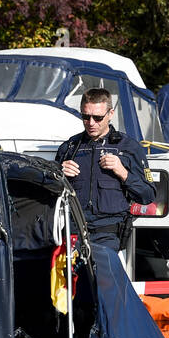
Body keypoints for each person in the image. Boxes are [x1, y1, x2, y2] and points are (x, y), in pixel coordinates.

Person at [56, 88, 153, 250]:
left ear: (111, 114)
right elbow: (51, 196)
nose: (91, 123)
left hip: (107, 234)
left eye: (98, 117)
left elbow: (148, 195)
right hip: (72, 232)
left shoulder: (129, 147)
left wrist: (123, 173)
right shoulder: (70, 147)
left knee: (102, 274)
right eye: (86, 117)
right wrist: (57, 173)